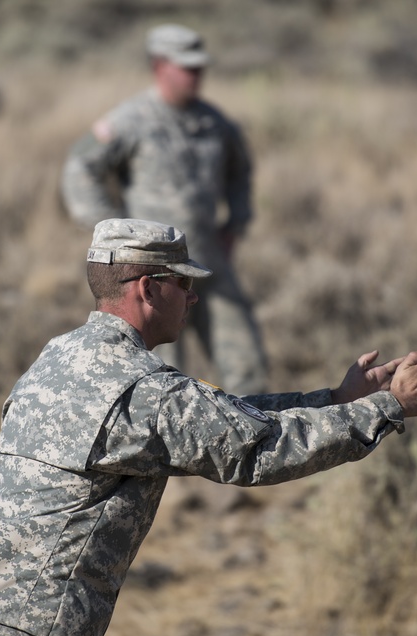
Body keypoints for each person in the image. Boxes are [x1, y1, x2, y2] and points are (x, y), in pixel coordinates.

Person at [0, 218, 417, 636]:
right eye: (184, 283)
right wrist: (388, 407)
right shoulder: (144, 390)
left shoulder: (60, 355)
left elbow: (219, 421)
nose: (193, 299)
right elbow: (257, 451)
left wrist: (335, 400)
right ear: (147, 288)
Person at [60, 23, 268, 395]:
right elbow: (80, 167)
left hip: (211, 261)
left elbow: (241, 172)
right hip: (154, 274)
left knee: (246, 366)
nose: (196, 74)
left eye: (199, 67)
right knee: (161, 377)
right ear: (159, 66)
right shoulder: (131, 120)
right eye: (186, 67)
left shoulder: (214, 122)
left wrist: (235, 224)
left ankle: (254, 428)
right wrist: (109, 232)